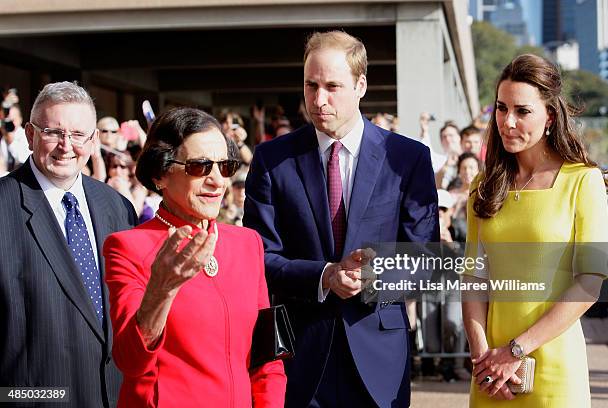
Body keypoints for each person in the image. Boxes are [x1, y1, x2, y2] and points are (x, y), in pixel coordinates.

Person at [244, 30, 439, 407]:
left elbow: (424, 257)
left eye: (332, 86)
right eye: (311, 85)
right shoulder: (272, 159)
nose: (319, 100)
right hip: (300, 353)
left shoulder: (407, 158)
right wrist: (324, 275)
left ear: (361, 84)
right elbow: (260, 256)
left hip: (378, 352)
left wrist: (374, 276)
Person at [103, 107, 286, 407]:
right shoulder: (127, 247)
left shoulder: (247, 243)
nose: (217, 181)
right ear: (160, 174)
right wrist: (161, 290)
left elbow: (268, 356)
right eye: (200, 167)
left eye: (224, 167)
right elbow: (130, 360)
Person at [462, 54, 608, 406]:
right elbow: (473, 279)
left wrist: (515, 350)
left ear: (550, 117)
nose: (507, 122)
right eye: (501, 108)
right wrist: (484, 357)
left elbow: (590, 282)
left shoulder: (583, 181)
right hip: (492, 374)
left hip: (555, 368)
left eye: (522, 111)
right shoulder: (483, 186)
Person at [0, 81, 138, 407]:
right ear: (31, 136)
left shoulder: (117, 208)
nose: (66, 145)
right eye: (53, 132)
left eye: (78, 135)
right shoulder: (3, 206)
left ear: (93, 142)